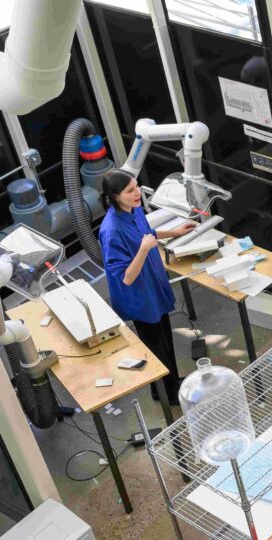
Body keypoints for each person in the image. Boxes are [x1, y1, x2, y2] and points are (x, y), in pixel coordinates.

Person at [99, 169, 195, 404]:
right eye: (130, 190)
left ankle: (168, 384)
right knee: (155, 346)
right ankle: (168, 394)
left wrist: (175, 232)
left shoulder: (135, 209)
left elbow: (148, 233)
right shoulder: (111, 230)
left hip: (153, 286)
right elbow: (126, 277)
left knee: (165, 338)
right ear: (114, 196)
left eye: (137, 186)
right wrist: (143, 248)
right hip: (139, 297)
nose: (137, 193)